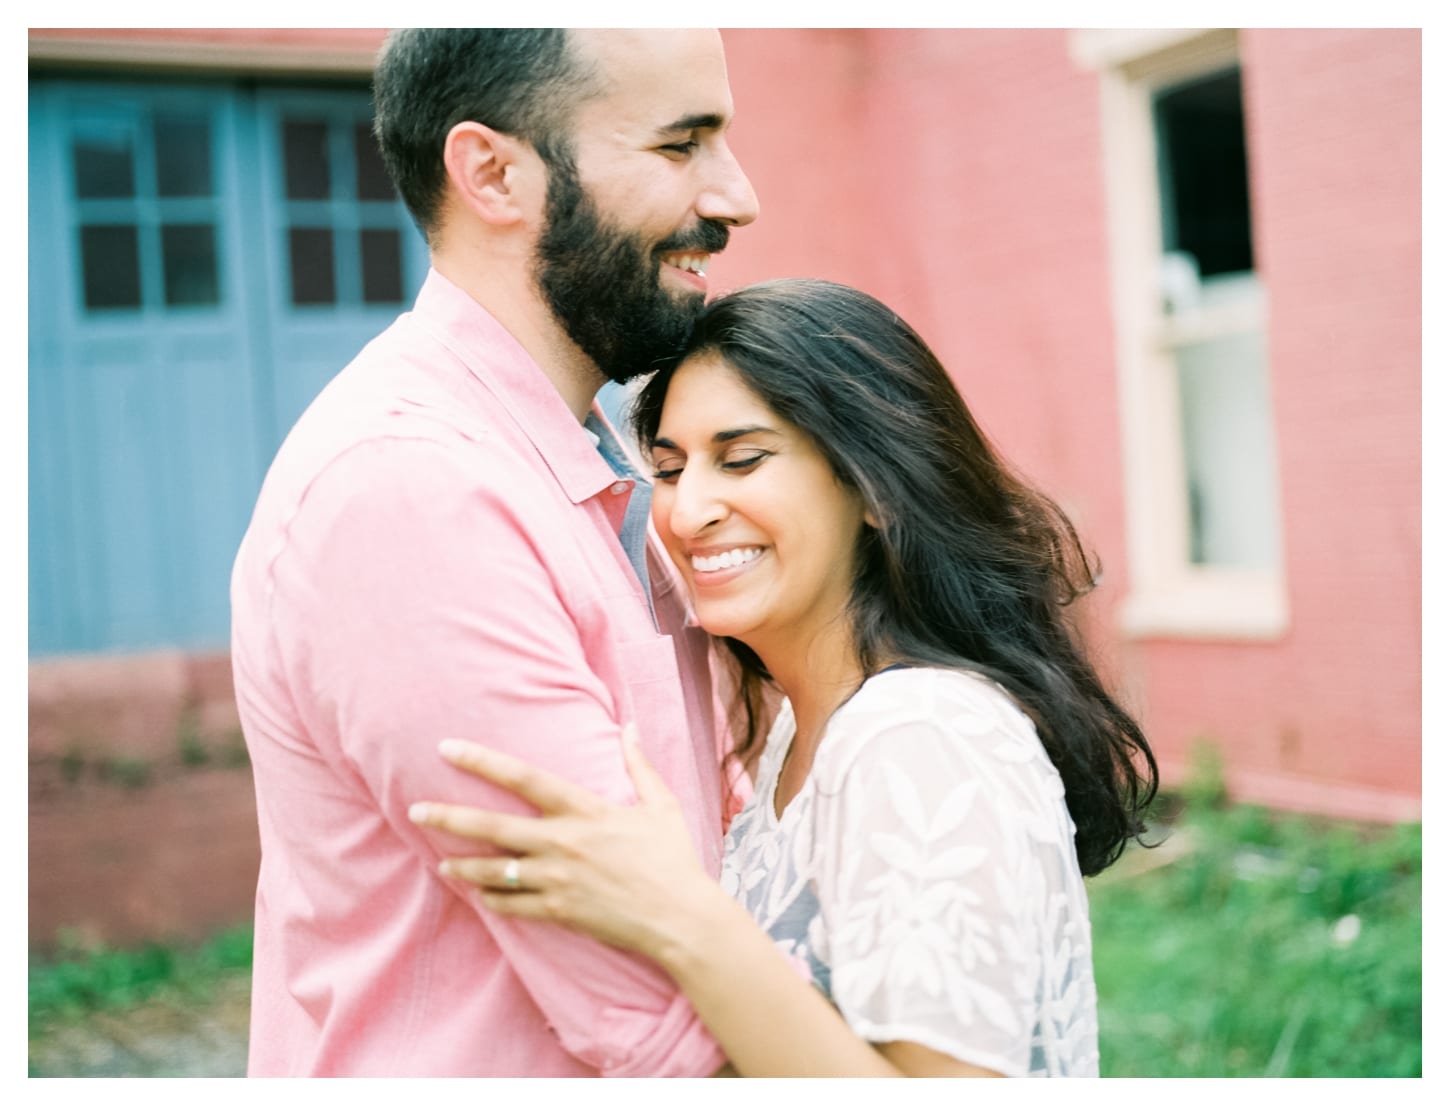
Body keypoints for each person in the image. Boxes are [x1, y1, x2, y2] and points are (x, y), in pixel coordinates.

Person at [409, 279, 1160, 1077]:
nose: (688, 509)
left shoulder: (920, 735)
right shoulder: (808, 737)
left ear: (873, 486)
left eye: (743, 459)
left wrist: (682, 918)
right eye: (668, 468)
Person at [229, 29, 758, 1076]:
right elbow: (663, 1025)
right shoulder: (409, 494)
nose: (736, 198)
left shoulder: (585, 461)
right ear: (494, 173)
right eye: (680, 145)